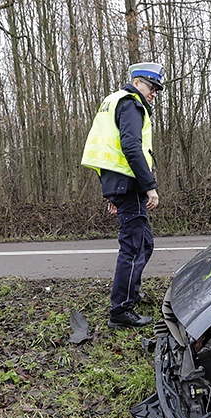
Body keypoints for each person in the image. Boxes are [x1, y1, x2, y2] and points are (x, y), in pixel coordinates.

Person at [81, 62, 166, 328]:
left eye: (156, 89)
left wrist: (110, 193)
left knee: (144, 244)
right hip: (130, 186)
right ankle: (121, 311)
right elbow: (130, 147)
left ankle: (131, 294)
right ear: (138, 82)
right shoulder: (131, 103)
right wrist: (149, 185)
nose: (154, 93)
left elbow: (104, 151)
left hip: (120, 185)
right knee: (132, 248)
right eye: (152, 87)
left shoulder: (112, 101)